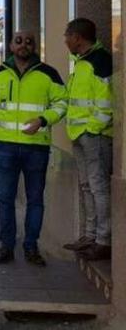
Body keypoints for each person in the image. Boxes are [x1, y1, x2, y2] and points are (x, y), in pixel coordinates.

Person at [0, 31, 67, 267]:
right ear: (11, 46)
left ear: (34, 46)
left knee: (35, 200)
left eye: (29, 42)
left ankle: (31, 247)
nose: (24, 45)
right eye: (19, 41)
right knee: (5, 199)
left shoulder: (48, 73)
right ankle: (6, 247)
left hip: (36, 148)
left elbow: (62, 103)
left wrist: (43, 120)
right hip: (7, 146)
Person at [61, 18, 113, 261]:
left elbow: (107, 101)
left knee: (98, 186)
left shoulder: (100, 61)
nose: (65, 41)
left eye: (67, 37)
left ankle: (104, 241)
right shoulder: (81, 62)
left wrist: (92, 129)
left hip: (95, 136)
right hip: (80, 134)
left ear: (78, 38)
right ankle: (90, 236)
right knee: (87, 186)